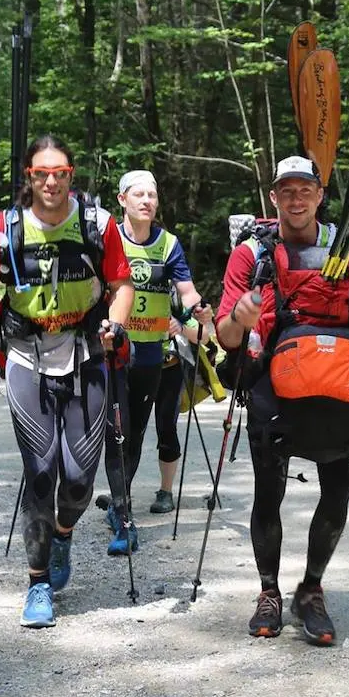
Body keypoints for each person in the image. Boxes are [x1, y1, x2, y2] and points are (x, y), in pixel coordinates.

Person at [215, 155, 349, 646]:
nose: (296, 198)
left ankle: (311, 590)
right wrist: (241, 314)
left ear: (320, 196)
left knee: (337, 494)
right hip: (273, 386)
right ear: (273, 197)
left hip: (338, 383)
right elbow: (227, 336)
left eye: (306, 190)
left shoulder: (348, 251)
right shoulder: (251, 255)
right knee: (268, 494)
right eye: (286, 190)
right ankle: (268, 593)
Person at [0, 135, 134, 629]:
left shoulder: (98, 225)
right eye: (41, 173)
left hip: (86, 355)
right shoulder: (5, 227)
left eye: (59, 172)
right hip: (26, 357)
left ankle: (62, 533)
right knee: (41, 472)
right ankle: (37, 584)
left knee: (78, 482)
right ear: (29, 178)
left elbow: (121, 286)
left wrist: (115, 325)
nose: (50, 181)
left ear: (71, 175)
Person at [102, 169, 212, 555]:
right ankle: (121, 506)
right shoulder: (107, 237)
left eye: (153, 194)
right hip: (112, 352)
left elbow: (186, 289)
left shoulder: (168, 244)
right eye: (139, 194)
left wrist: (198, 309)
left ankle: (121, 505)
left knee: (133, 434)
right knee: (116, 432)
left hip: (149, 354)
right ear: (123, 200)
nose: (147, 201)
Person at [152, 293, 211, 514]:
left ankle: (165, 492)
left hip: (170, 366)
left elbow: (204, 336)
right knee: (127, 430)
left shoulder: (176, 291)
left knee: (166, 427)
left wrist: (180, 327)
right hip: (134, 364)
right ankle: (122, 493)